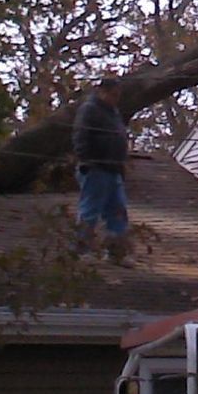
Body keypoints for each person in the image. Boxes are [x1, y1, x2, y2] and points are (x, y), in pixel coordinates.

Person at [72, 75, 132, 263]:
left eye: (117, 95)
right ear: (102, 92)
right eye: (112, 94)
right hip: (96, 167)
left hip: (114, 169)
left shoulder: (113, 113)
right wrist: (86, 160)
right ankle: (82, 249)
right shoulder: (90, 110)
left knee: (118, 211)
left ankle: (116, 253)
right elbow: (80, 136)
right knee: (90, 209)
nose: (115, 99)